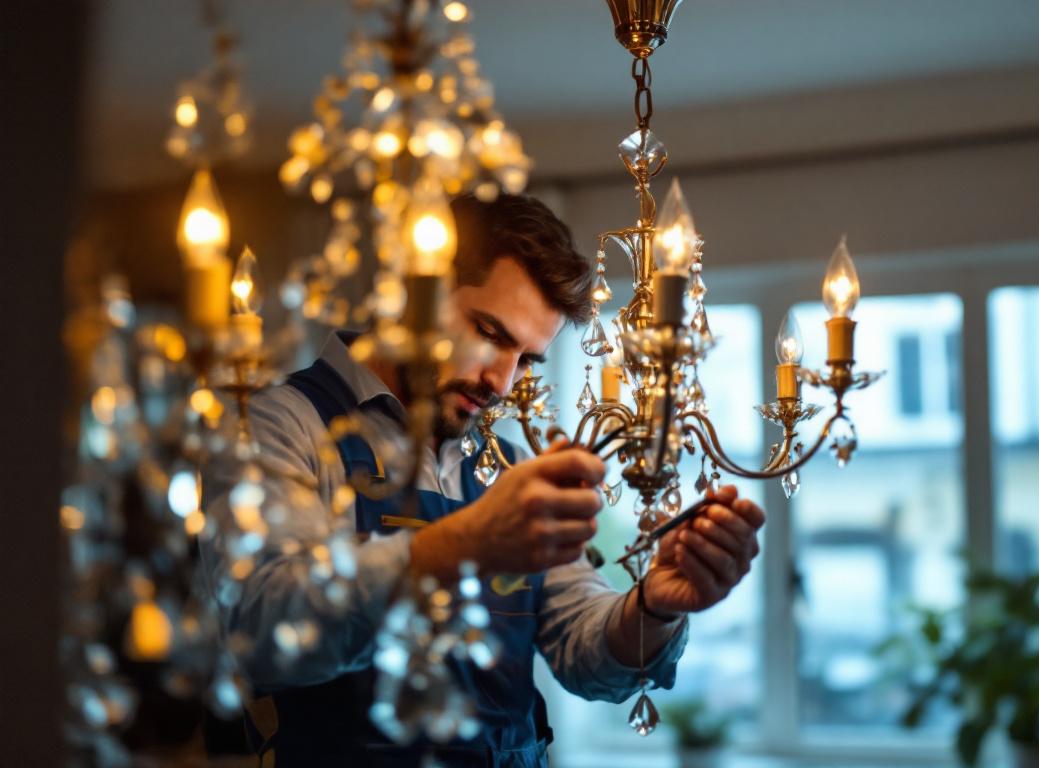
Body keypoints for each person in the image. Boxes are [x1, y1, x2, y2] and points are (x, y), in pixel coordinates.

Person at [200, 193, 765, 767]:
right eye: (490, 334)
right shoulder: (276, 424)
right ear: (411, 290)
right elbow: (265, 628)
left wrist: (654, 606)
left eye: (526, 359)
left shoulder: (508, 466)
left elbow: (582, 647)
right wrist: (467, 542)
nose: (502, 380)